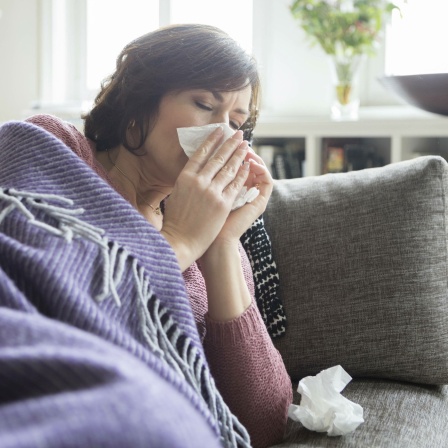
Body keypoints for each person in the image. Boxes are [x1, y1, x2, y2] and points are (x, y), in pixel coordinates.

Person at [18, 24, 292, 447]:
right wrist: (179, 240)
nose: (223, 135)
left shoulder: (216, 241)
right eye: (205, 104)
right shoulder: (58, 147)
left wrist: (218, 247)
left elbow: (265, 423)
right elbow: (53, 306)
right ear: (138, 104)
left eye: (237, 124)